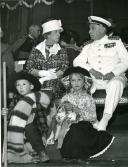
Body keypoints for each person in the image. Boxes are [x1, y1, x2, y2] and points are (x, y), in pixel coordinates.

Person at [73, 16, 128, 131]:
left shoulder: (116, 41)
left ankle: (104, 120)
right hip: (95, 80)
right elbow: (76, 61)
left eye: (92, 28)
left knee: (115, 84)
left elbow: (126, 61)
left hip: (114, 78)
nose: (89, 31)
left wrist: (113, 73)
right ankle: (94, 122)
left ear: (103, 29)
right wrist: (91, 70)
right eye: (89, 28)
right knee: (83, 90)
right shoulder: (88, 45)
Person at [54, 67, 115, 161]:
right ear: (69, 83)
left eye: (79, 80)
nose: (76, 83)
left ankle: (81, 154)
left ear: (84, 82)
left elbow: (92, 117)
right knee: (70, 130)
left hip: (84, 124)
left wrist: (77, 111)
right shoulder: (65, 98)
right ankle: (69, 154)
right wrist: (64, 112)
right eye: (73, 80)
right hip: (68, 124)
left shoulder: (88, 98)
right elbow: (59, 116)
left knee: (78, 129)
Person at [5, 72, 52, 163]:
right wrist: (6, 113)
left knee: (29, 126)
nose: (20, 87)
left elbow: (41, 118)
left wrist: (43, 133)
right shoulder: (16, 99)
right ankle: (13, 154)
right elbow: (10, 115)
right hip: (17, 128)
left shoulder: (36, 100)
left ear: (31, 87)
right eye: (18, 85)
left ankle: (41, 152)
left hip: (33, 128)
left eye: (23, 84)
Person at [25, 18, 69, 104]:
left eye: (59, 32)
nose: (59, 35)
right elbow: (29, 68)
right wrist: (43, 73)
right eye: (56, 32)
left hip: (56, 82)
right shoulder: (36, 49)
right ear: (48, 34)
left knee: (49, 87)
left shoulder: (61, 50)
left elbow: (64, 67)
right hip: (38, 81)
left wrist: (52, 76)